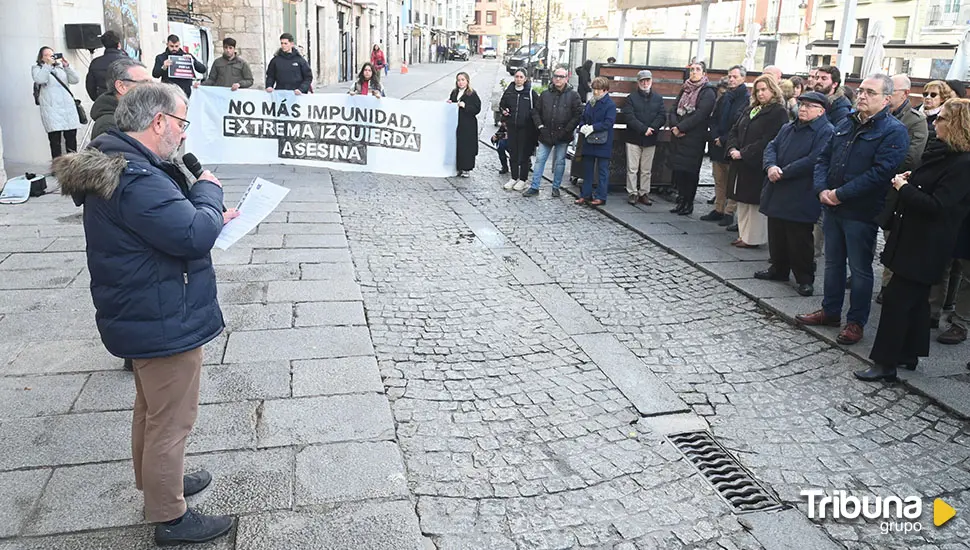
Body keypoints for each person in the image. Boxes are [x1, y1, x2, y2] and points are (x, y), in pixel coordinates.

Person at [52, 83, 239, 545]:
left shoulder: (125, 165)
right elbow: (192, 234)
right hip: (160, 313)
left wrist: (206, 214)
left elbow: (176, 224)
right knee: (172, 418)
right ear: (158, 122)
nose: (182, 134)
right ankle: (170, 516)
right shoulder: (137, 178)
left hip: (143, 306)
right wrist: (210, 195)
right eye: (181, 123)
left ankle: (159, 483)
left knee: (152, 409)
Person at [856, 99, 970, 381]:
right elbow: (930, 185)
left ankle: (885, 363)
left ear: (955, 125)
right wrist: (911, 180)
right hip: (914, 238)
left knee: (897, 300)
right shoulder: (943, 153)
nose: (934, 123)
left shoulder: (964, 163)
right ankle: (908, 354)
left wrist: (904, 187)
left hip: (927, 245)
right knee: (916, 302)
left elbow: (938, 205)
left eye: (941, 119)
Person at [796, 74, 909, 346]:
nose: (862, 96)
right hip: (832, 207)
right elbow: (824, 158)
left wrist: (840, 194)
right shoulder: (846, 122)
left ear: (886, 98)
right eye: (861, 91)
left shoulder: (893, 130)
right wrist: (822, 189)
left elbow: (881, 173)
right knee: (833, 263)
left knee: (859, 269)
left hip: (861, 211)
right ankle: (831, 310)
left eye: (870, 92)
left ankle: (855, 322)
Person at [759, 91, 835, 296]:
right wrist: (771, 166)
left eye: (809, 106)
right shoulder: (788, 127)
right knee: (776, 233)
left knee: (799, 238)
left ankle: (804, 278)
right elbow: (771, 147)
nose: (803, 108)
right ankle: (778, 268)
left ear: (821, 111)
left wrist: (784, 171)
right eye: (802, 104)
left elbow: (815, 159)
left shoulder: (826, 131)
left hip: (802, 190)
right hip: (778, 186)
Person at [874, 74, 929, 303]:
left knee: (892, 236)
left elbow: (911, 157)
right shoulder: (881, 114)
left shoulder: (915, 121)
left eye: (892, 91)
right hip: (874, 184)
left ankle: (888, 283)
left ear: (905, 94)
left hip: (895, 187)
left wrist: (880, 164)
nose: (887, 96)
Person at [725, 74, 789, 249]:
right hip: (741, 162)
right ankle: (743, 234)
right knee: (742, 200)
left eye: (764, 90)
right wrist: (732, 148)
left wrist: (744, 153)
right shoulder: (751, 108)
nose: (760, 94)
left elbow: (769, 139)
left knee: (754, 202)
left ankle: (752, 238)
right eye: (758, 90)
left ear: (772, 90)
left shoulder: (778, 111)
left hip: (757, 163)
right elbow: (735, 130)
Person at [524, 66, 582, 197]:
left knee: (560, 161)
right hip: (546, 133)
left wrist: (567, 130)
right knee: (540, 160)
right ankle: (535, 186)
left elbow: (577, 115)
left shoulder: (573, 95)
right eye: (556, 76)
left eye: (561, 76)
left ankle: (556, 187)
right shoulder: (545, 94)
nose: (558, 79)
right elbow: (536, 112)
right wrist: (540, 127)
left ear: (566, 78)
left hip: (563, 135)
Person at [702, 65, 749, 225]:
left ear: (743, 78)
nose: (731, 80)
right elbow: (714, 117)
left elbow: (739, 123)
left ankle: (729, 211)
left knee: (732, 181)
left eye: (735, 77)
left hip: (732, 144)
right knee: (719, 179)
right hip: (717, 143)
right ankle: (719, 208)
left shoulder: (746, 98)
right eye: (730, 76)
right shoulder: (724, 96)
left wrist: (723, 138)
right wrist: (715, 135)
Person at [669, 60, 717, 216]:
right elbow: (674, 109)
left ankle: (688, 203)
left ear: (704, 73)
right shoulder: (685, 88)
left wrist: (681, 128)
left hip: (694, 137)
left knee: (690, 172)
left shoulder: (707, 91)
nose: (694, 72)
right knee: (680, 172)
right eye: (692, 69)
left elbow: (701, 114)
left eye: (698, 69)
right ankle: (681, 201)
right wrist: (674, 126)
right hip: (679, 137)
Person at [621, 69, 665, 206]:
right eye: (642, 81)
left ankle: (644, 193)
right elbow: (629, 117)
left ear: (651, 81)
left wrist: (652, 128)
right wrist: (643, 129)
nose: (645, 83)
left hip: (650, 138)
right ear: (638, 82)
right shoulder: (631, 98)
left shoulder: (658, 98)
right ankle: (632, 193)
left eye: (647, 80)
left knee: (646, 169)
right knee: (632, 168)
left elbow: (662, 115)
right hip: (634, 138)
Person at [32, 47, 81, 160]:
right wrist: (47, 66)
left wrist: (67, 66)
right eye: (48, 55)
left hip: (67, 108)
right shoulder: (37, 68)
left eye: (52, 55)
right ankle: (57, 168)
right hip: (52, 109)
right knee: (55, 141)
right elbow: (40, 80)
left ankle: (73, 166)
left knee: (71, 139)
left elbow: (75, 80)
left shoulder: (60, 68)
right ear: (41, 57)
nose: (51, 57)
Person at [575, 77, 616, 207]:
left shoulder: (610, 105)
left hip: (603, 141)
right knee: (587, 170)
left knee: (602, 171)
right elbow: (583, 117)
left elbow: (608, 122)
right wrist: (582, 126)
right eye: (594, 89)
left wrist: (593, 127)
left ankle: (601, 196)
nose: (596, 92)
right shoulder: (591, 102)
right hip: (589, 140)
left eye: (599, 90)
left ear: (605, 90)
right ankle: (585, 195)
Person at [91, 58, 152, 140]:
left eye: (152, 83)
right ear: (121, 86)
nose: (152, 88)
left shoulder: (138, 114)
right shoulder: (108, 126)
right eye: (145, 83)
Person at [499, 68, 539, 191]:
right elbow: (502, 104)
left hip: (526, 129)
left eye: (521, 77)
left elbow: (536, 110)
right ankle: (514, 177)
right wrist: (504, 112)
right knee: (513, 153)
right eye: (517, 76)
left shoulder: (531, 93)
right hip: (512, 127)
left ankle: (523, 179)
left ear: (525, 79)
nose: (518, 79)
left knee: (524, 155)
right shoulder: (509, 91)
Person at [448, 71, 481, 177]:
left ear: (467, 81)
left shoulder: (472, 94)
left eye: (463, 80)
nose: (460, 82)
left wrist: (465, 106)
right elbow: (452, 103)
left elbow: (477, 109)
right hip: (456, 122)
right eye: (458, 80)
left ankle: (467, 168)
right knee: (457, 144)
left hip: (468, 125)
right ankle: (458, 167)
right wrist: (449, 103)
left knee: (467, 146)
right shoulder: (454, 92)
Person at [85, 30, 128, 101]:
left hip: (104, 100)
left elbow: (90, 86)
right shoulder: (129, 62)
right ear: (119, 44)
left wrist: (98, 99)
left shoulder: (96, 63)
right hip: (126, 100)